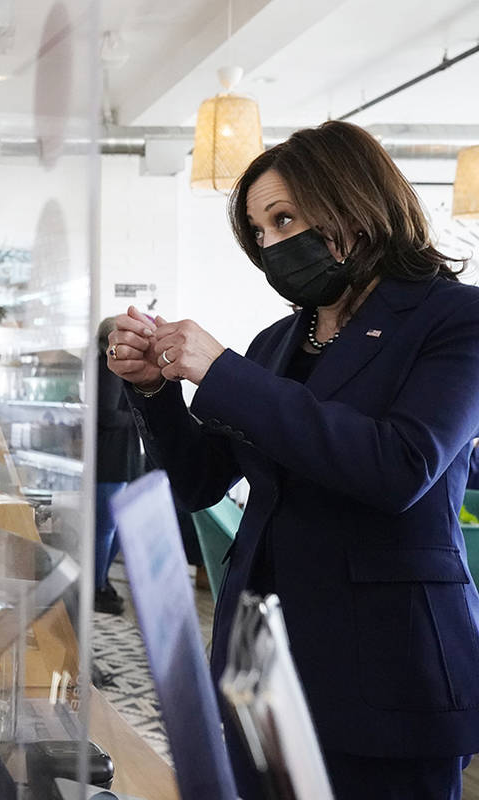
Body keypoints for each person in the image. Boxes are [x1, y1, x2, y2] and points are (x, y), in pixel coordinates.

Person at [106, 120, 479, 798]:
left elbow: (399, 466)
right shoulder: (279, 340)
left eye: (284, 219)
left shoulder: (454, 319)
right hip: (260, 655)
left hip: (386, 666)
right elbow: (200, 481)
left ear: (355, 203)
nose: (272, 243)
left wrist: (222, 371)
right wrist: (155, 393)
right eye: (259, 232)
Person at [94, 317, 142, 615]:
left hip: (120, 459)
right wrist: (140, 415)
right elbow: (107, 415)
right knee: (106, 529)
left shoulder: (114, 369)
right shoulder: (107, 370)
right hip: (109, 460)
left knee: (114, 529)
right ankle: (97, 587)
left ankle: (101, 582)